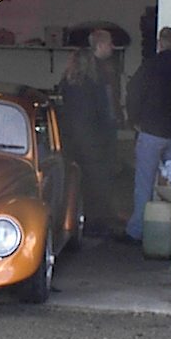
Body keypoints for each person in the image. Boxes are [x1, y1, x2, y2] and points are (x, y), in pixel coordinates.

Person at [123, 26, 171, 243]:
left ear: (159, 42)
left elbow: (133, 92)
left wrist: (134, 120)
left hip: (151, 132)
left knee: (144, 183)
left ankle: (137, 231)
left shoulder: (149, 67)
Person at [58, 47, 118, 237]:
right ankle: (96, 224)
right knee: (96, 184)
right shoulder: (95, 84)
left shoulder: (65, 84)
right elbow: (104, 113)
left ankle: (74, 219)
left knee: (74, 182)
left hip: (71, 140)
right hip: (93, 139)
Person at [89, 28, 123, 126]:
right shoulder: (92, 70)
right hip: (99, 121)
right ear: (99, 46)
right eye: (109, 44)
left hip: (104, 120)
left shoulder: (106, 66)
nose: (112, 47)